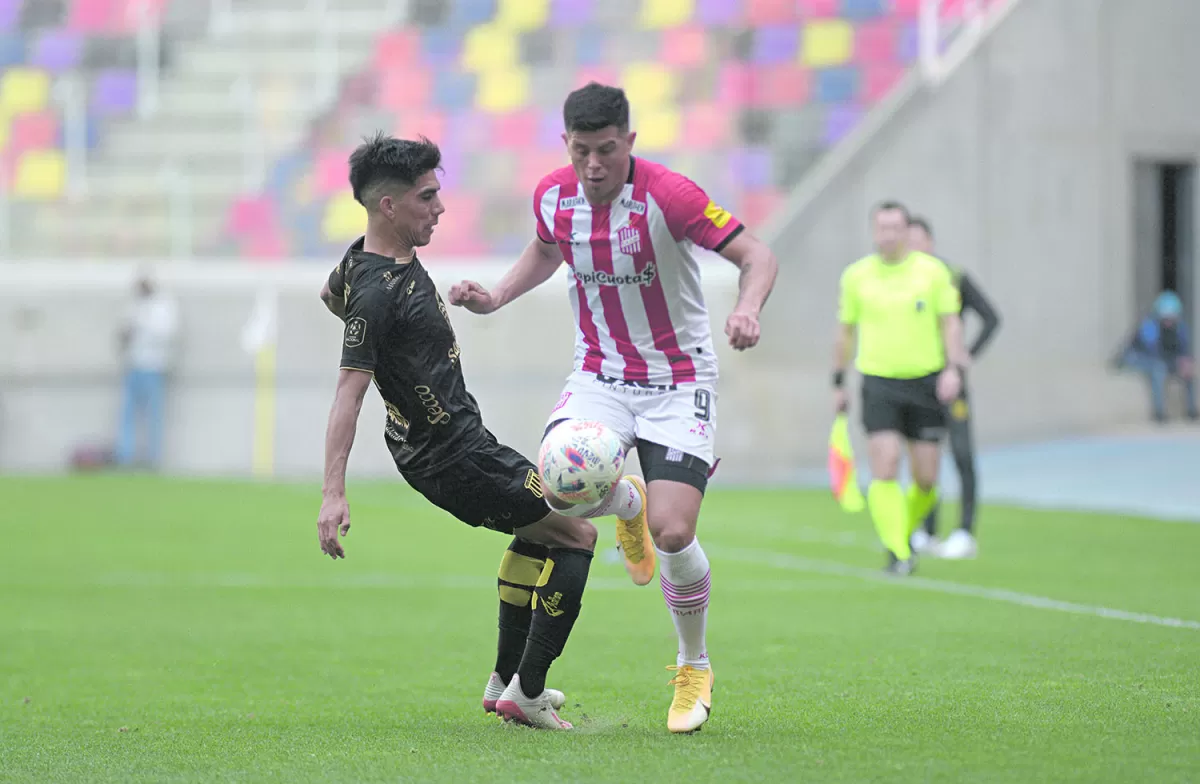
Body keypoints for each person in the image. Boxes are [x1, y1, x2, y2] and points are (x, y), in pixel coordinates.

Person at [449, 82, 779, 734]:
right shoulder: (553, 195)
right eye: (581, 152)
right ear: (566, 146)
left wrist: (746, 308)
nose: (593, 166)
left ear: (629, 141)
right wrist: (495, 297)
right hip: (600, 376)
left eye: (606, 150)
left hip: (678, 381)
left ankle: (693, 665)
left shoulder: (671, 196)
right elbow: (547, 250)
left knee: (675, 532)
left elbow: (756, 254)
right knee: (560, 492)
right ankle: (624, 502)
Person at [316, 132, 605, 731]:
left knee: (538, 531)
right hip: (453, 455)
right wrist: (333, 492)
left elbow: (330, 295)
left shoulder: (360, 264)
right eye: (427, 197)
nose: (440, 208)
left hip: (454, 447)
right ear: (388, 207)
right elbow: (350, 389)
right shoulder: (374, 291)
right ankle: (527, 691)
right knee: (576, 534)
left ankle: (505, 681)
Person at [832, 201, 970, 576]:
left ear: (907, 231)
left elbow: (951, 323)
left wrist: (954, 368)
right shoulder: (856, 276)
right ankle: (898, 551)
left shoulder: (933, 272)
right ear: (874, 231)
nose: (888, 234)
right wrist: (838, 380)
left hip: (926, 382)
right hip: (878, 382)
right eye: (882, 227)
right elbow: (845, 332)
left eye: (896, 227)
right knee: (886, 465)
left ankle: (901, 533)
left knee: (926, 479)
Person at [907, 217, 1001, 560]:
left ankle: (964, 531)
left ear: (930, 242)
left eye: (918, 240)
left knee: (961, 454)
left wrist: (963, 361)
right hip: (918, 382)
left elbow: (991, 318)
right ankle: (927, 531)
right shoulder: (901, 281)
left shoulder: (953, 276)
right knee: (923, 458)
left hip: (952, 381)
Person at [115, 271, 179, 470]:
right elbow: (124, 332)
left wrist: (141, 326)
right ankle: (125, 457)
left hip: (154, 366)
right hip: (134, 365)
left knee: (153, 415)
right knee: (128, 415)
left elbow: (166, 333)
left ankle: (153, 459)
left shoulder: (164, 306)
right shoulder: (134, 306)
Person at [1118, 290, 1197, 423]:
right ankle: (1159, 412)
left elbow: (1184, 350)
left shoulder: (1180, 328)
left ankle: (1191, 410)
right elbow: (1153, 352)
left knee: (1187, 371)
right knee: (1158, 370)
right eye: (1165, 318)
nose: (1168, 322)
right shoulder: (1150, 327)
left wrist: (1184, 361)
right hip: (1143, 359)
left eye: (1172, 318)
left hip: (1166, 360)